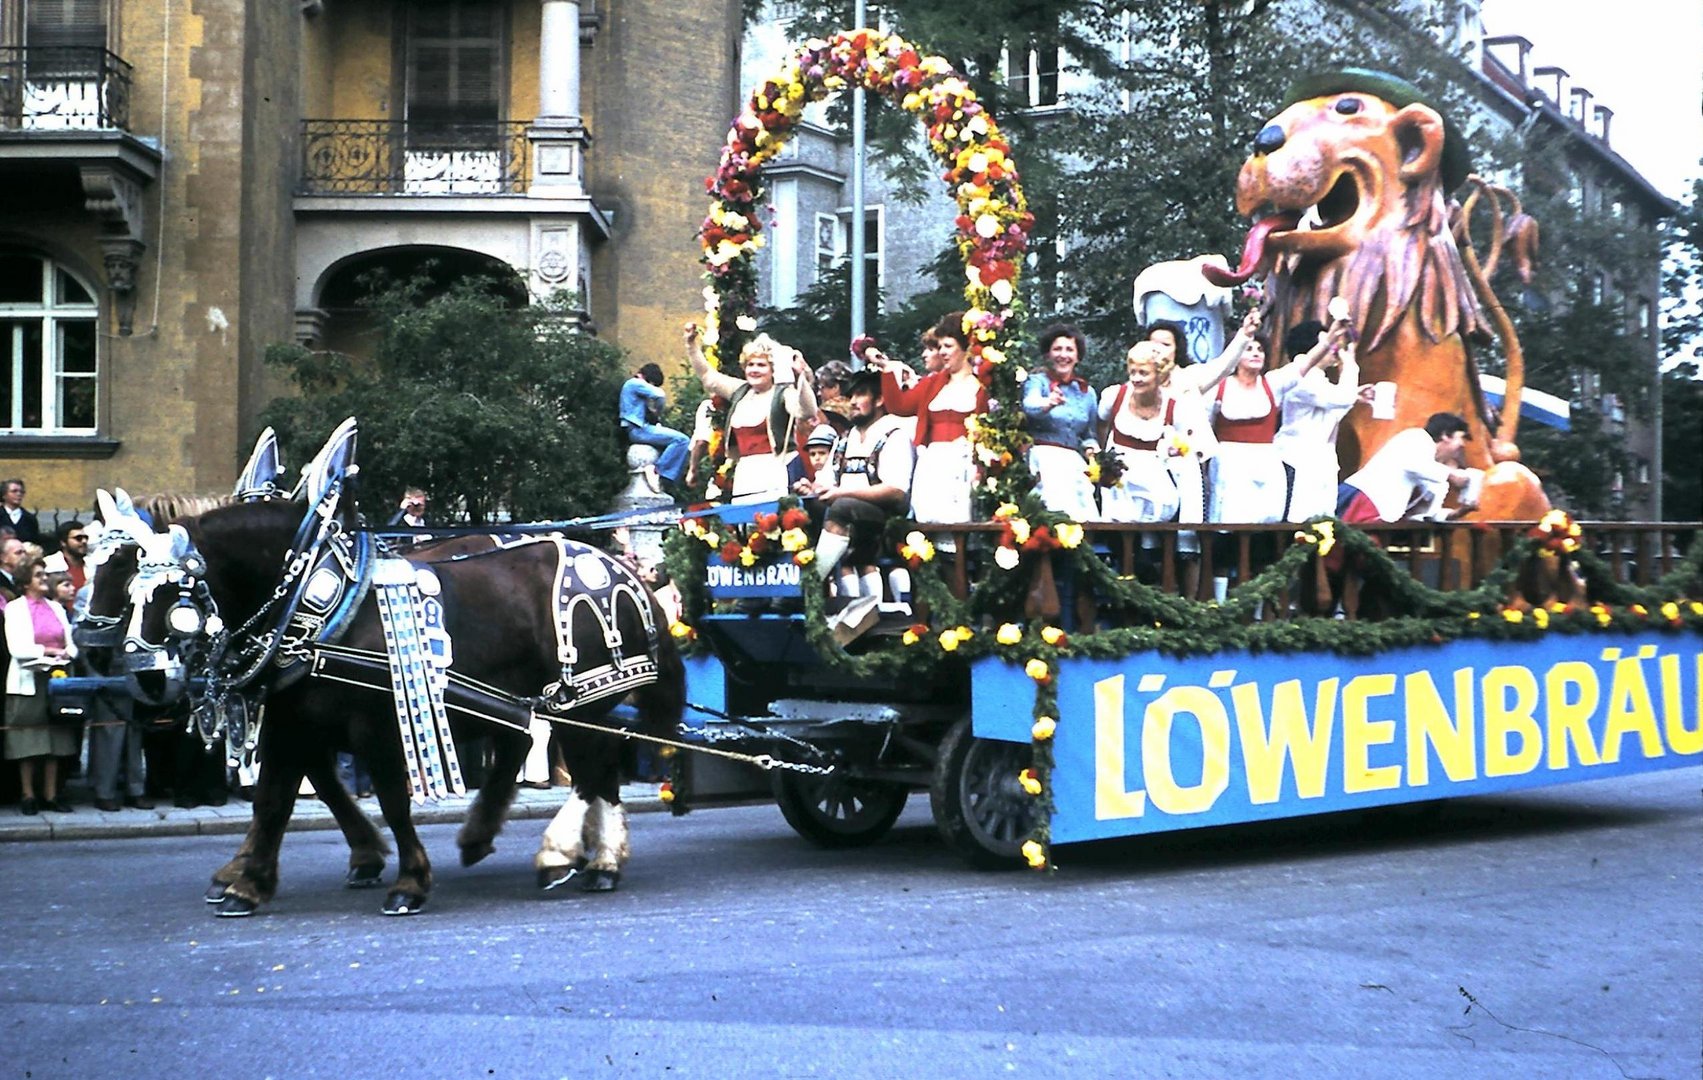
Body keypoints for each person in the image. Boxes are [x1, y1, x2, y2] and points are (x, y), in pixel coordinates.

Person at [804, 369, 916, 601]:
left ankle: (810, 585)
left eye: (861, 395)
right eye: (851, 396)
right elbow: (824, 482)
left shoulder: (894, 435)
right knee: (804, 508)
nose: (853, 402)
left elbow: (895, 491)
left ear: (879, 400)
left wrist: (842, 493)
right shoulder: (844, 440)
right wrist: (811, 489)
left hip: (887, 517)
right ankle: (833, 597)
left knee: (842, 507)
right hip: (847, 516)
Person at [873, 312, 988, 528]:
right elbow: (900, 406)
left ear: (965, 348)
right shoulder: (933, 383)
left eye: (948, 346)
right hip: (933, 462)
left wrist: (980, 470)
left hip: (964, 465)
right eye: (940, 346)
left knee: (961, 524)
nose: (942, 352)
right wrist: (886, 369)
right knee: (929, 521)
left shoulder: (982, 385)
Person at [686, 325, 817, 503]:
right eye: (750, 365)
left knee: (773, 525)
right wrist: (691, 345)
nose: (754, 370)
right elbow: (708, 377)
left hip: (777, 468)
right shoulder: (740, 391)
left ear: (773, 370)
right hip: (745, 471)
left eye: (761, 365)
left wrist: (801, 377)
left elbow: (807, 411)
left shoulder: (783, 393)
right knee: (745, 524)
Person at [1096, 341, 1217, 529]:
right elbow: (1101, 426)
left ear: (1159, 375)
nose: (1136, 379)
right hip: (1120, 480)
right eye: (1133, 372)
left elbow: (1185, 444)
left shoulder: (1174, 406)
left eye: (1143, 373)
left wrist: (1173, 450)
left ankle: (1182, 543)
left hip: (1153, 476)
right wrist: (1105, 460)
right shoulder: (1114, 396)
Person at [1272, 323, 1375, 522]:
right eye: (1327, 343)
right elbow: (1338, 399)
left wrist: (1354, 395)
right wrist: (1350, 363)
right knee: (1299, 521)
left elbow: (1334, 409)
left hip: (1319, 461)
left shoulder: (1318, 379)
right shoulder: (1301, 376)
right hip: (1298, 459)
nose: (1334, 348)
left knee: (1323, 522)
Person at [5, 556, 78, 814]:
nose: (44, 579)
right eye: (39, 576)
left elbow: (71, 643)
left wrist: (67, 653)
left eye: (45, 575)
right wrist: (47, 651)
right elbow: (18, 649)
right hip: (29, 680)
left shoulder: (56, 608)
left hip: (57, 680)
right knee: (28, 738)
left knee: (56, 738)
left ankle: (51, 795)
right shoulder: (15, 609)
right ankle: (28, 794)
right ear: (26, 582)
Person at [1337, 412, 1482, 523]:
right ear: (1445, 435)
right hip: (1361, 498)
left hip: (1381, 515)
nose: (1462, 445)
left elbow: (1427, 513)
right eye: (1461, 438)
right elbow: (1413, 464)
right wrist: (1451, 476)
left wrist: (1460, 512)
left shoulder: (1435, 472)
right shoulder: (1416, 438)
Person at [1021, 323, 1099, 521]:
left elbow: (1088, 434)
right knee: (1052, 515)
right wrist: (1048, 403)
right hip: (1044, 458)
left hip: (1073, 463)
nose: (1063, 355)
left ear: (1078, 356)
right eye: (1057, 349)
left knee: (1082, 517)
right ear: (1048, 354)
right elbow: (1029, 405)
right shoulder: (1037, 381)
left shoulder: (1086, 392)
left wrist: (1093, 451)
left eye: (1069, 349)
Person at [618, 362, 691, 489]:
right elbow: (659, 394)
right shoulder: (635, 383)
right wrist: (658, 410)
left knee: (673, 444)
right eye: (653, 384)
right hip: (638, 430)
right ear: (649, 379)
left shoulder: (633, 386)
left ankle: (665, 477)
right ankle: (659, 471)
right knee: (682, 440)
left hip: (637, 429)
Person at [43, 520, 89, 593]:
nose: (84, 541)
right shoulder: (49, 564)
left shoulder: (94, 564)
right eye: (78, 538)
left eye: (86, 538)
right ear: (63, 542)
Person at [1, 479, 39, 544]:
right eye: (14, 491)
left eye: (21, 492)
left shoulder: (30, 519)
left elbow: (34, 541)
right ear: (4, 495)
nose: (19, 494)